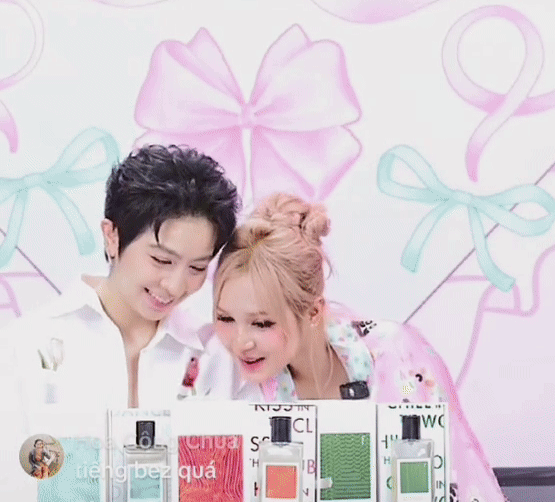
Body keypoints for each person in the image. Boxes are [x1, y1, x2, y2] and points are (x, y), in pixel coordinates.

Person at [211, 192, 507, 502]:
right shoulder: (234, 383)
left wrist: (404, 393)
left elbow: (424, 416)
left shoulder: (394, 357)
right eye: (225, 318)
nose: (241, 342)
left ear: (312, 312)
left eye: (261, 323)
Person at [1, 145, 239, 410]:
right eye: (161, 260)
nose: (174, 286)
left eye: (196, 268)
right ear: (112, 236)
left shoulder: (217, 354)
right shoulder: (27, 345)